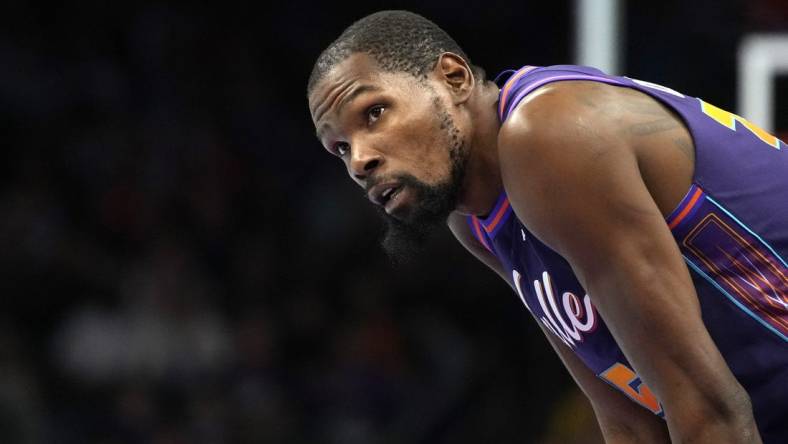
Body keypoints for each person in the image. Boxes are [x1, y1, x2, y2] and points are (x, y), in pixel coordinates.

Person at [307, 10, 787, 443]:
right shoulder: (477, 222)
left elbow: (711, 410)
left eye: (374, 113)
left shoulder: (550, 136)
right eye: (341, 148)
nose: (360, 160)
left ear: (452, 79)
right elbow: (632, 419)